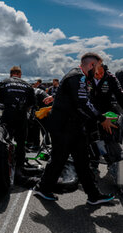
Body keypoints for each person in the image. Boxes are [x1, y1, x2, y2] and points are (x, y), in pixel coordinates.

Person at [34, 52, 116, 205]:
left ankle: (93, 195)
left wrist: (55, 97)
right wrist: (102, 118)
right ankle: (42, 188)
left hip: (73, 126)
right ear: (91, 65)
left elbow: (74, 96)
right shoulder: (77, 77)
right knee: (59, 159)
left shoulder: (79, 78)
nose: (98, 72)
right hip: (63, 126)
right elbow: (83, 102)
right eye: (97, 67)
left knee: (82, 161)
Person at [0, 66, 36, 185]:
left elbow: (0, 100)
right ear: (20, 74)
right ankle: (20, 168)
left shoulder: (4, 83)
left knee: (4, 140)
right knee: (21, 142)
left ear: (11, 74)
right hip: (21, 117)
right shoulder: (27, 85)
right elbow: (32, 103)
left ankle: (4, 164)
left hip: (8, 115)